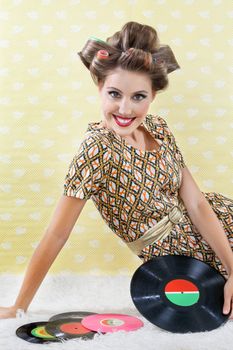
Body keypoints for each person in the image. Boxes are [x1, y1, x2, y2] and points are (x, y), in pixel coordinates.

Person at [0, 21, 233, 320]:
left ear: (152, 96)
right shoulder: (96, 150)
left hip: (216, 221)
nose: (125, 109)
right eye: (114, 94)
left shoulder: (158, 128)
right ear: (99, 88)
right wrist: (18, 306)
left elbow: (198, 204)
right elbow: (56, 235)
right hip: (180, 256)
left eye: (138, 97)